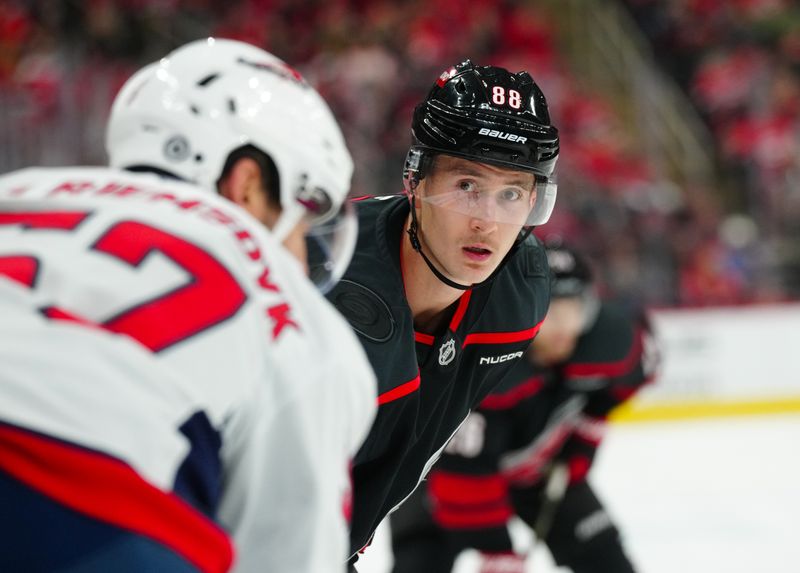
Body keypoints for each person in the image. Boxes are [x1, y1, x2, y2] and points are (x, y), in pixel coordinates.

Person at [0, 38, 376, 573]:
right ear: (246, 183)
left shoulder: (23, 191)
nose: (300, 253)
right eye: (306, 223)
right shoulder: (283, 297)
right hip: (77, 503)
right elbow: (289, 553)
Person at [324, 60, 560, 567]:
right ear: (415, 180)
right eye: (466, 185)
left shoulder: (521, 289)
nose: (487, 221)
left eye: (512, 193)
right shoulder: (324, 278)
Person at [389, 244, 660, 573]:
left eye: (574, 308)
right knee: (419, 561)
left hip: (538, 471)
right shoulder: (482, 358)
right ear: (525, 305)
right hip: (435, 474)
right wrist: (496, 548)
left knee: (605, 556)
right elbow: (462, 475)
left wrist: (582, 442)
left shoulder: (608, 342)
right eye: (550, 308)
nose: (563, 324)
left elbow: (628, 381)